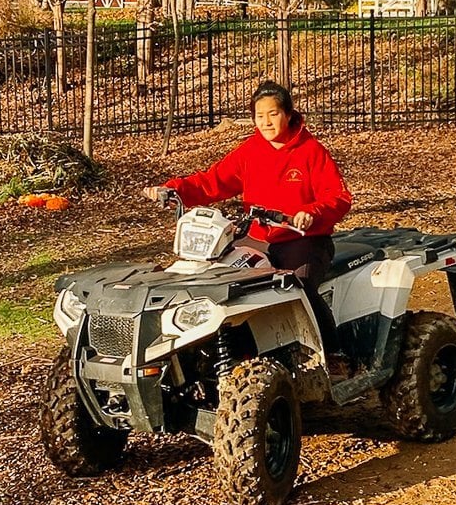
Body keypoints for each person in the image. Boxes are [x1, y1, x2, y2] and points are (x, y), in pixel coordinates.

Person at [145, 81, 352, 368]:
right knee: (217, 283)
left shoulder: (311, 151)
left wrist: (311, 212)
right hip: (256, 239)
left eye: (273, 114)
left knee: (298, 286)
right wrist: (173, 190)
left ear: (289, 114)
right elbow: (212, 182)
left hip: (303, 240)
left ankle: (331, 355)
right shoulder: (251, 151)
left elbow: (338, 197)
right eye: (259, 115)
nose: (266, 122)